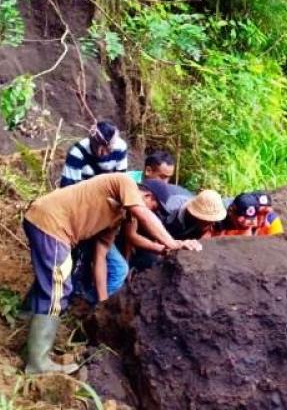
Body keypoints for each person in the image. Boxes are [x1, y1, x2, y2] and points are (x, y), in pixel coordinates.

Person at [21, 173, 201, 374]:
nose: (153, 211)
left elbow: (100, 259)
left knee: (52, 280)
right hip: (52, 224)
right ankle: (38, 362)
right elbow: (142, 212)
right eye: (155, 207)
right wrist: (173, 243)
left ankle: (23, 322)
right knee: (59, 287)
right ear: (147, 196)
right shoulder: (123, 182)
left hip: (47, 223)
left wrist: (103, 301)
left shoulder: (116, 218)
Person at [60, 121, 128, 187]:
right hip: (84, 191)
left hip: (109, 189)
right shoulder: (77, 153)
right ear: (90, 140)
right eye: (96, 146)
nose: (100, 152)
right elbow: (66, 188)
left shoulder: (120, 148)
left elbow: (120, 178)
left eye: (107, 149)